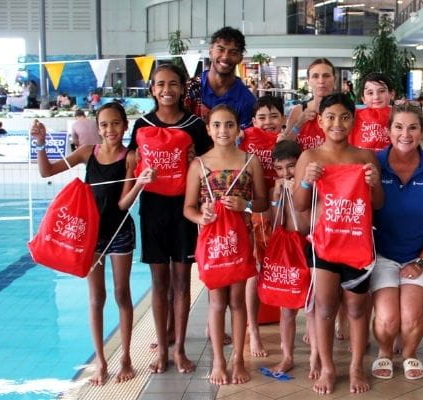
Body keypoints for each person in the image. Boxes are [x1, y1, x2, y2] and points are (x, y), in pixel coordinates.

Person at [30, 102, 138, 385]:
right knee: (95, 298)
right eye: (104, 124)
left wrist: (139, 183)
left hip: (120, 232)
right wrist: (40, 144)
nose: (110, 129)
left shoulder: (130, 158)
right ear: (97, 128)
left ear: (125, 126)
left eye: (115, 123)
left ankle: (125, 356)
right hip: (90, 235)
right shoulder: (87, 152)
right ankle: (101, 362)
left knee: (122, 293)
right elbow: (46, 172)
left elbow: (123, 204)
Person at [291, 93, 384, 395]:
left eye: (344, 116)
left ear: (353, 121)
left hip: (358, 244)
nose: (337, 123)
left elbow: (379, 204)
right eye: (330, 116)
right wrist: (306, 180)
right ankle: (329, 367)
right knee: (325, 307)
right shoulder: (310, 156)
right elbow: (300, 205)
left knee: (357, 308)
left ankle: (356, 365)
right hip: (324, 245)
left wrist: (374, 184)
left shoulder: (364, 157)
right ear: (319, 121)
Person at [121, 64, 210, 375]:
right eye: (160, 84)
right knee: (159, 283)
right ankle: (162, 347)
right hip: (153, 211)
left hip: (184, 211)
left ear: (183, 88)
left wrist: (195, 158)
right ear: (152, 89)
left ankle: (181, 348)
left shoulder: (195, 125)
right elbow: (132, 160)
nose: (166, 90)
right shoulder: (142, 124)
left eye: (173, 84)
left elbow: (208, 164)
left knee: (182, 282)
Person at [184, 105, 269, 385]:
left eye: (229, 125)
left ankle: (238, 360)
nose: (223, 131)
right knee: (217, 302)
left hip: (241, 240)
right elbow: (188, 208)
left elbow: (262, 202)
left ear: (238, 128)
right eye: (217, 125)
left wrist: (246, 205)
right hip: (213, 243)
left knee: (237, 301)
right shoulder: (199, 164)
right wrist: (202, 216)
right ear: (208, 129)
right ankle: (219, 361)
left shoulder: (250, 160)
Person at [369, 103, 423, 381]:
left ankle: (410, 353)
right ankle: (383, 351)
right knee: (389, 319)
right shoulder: (374, 164)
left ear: (422, 130)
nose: (406, 134)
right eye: (399, 127)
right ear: (388, 130)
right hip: (382, 254)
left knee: (409, 318)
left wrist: (422, 261)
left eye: (413, 127)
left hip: (420, 254)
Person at [240, 95, 287, 359]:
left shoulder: (290, 143)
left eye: (273, 116)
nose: (268, 122)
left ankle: (287, 329)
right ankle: (253, 330)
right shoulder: (243, 139)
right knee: (253, 272)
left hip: (281, 213)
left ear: (282, 118)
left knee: (281, 268)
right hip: (253, 213)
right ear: (253, 120)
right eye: (262, 117)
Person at [265, 140, 316, 375]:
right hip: (289, 250)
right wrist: (276, 198)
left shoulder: (311, 186)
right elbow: (275, 221)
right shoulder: (276, 190)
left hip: (310, 246)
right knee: (287, 309)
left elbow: (310, 213)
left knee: (314, 306)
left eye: (292, 166)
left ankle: (316, 356)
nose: (285, 173)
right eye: (279, 168)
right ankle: (287, 356)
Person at [185, 27, 257, 129]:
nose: (225, 57)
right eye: (220, 49)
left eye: (233, 52)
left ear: (240, 58)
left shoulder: (247, 100)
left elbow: (243, 141)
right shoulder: (190, 89)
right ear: (210, 52)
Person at [286, 58, 336, 151]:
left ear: (334, 79)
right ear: (308, 81)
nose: (321, 81)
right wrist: (299, 124)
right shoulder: (298, 111)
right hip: (303, 164)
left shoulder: (343, 111)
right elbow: (284, 146)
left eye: (326, 76)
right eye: (315, 76)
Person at [350, 72, 393, 151]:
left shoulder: (397, 115)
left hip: (388, 160)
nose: (376, 97)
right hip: (361, 160)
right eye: (370, 93)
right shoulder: (354, 115)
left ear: (391, 94)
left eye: (382, 91)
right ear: (363, 99)